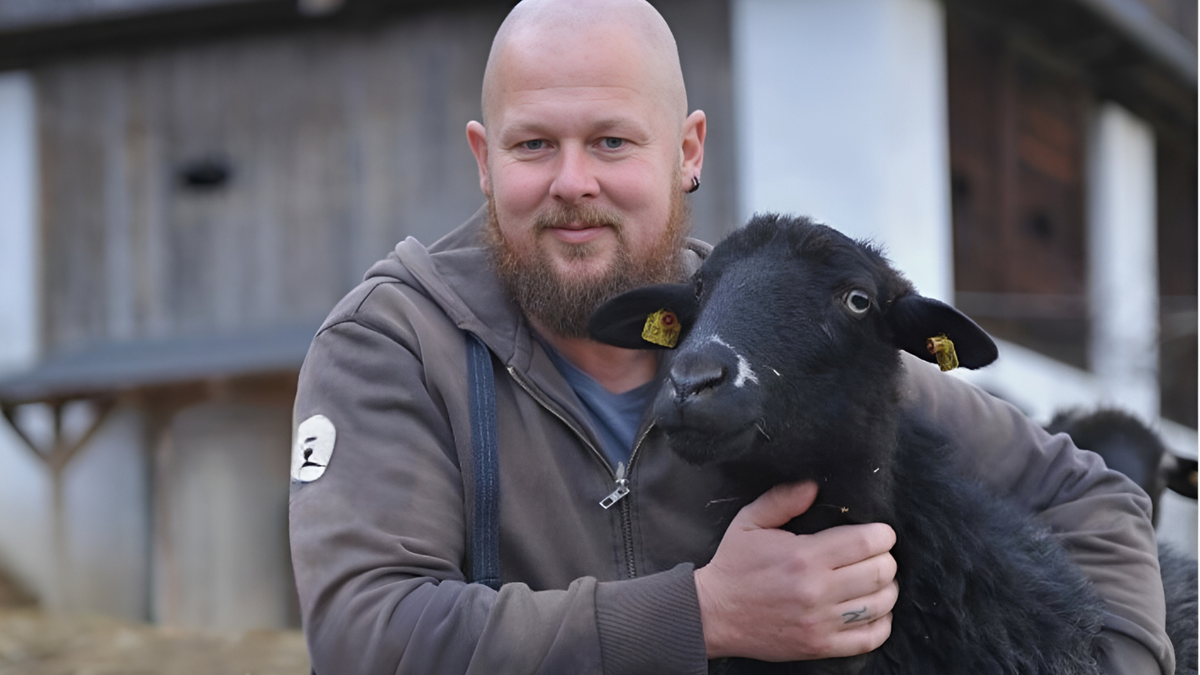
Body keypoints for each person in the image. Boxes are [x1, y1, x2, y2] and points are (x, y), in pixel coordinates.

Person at [288, 1, 1173, 673]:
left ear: (687, 152)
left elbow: (1087, 495)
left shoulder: (793, 325)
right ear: (484, 160)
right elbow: (368, 631)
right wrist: (700, 614)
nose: (572, 182)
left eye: (611, 141)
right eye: (532, 146)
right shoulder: (396, 343)